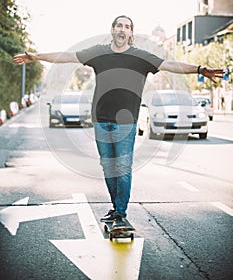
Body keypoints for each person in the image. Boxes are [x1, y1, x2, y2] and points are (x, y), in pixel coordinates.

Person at [13, 15, 224, 228]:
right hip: (101, 120)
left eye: (127, 27)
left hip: (127, 122)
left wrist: (199, 69)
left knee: (122, 167)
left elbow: (169, 65)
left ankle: (121, 213)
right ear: (112, 30)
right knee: (108, 167)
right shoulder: (98, 52)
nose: (123, 30)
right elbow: (67, 56)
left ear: (131, 33)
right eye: (119, 26)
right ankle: (116, 208)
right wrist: (37, 56)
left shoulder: (141, 57)